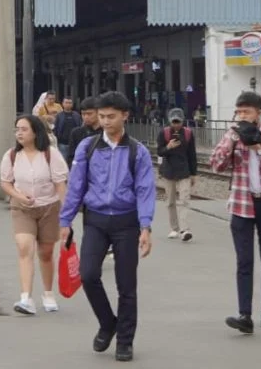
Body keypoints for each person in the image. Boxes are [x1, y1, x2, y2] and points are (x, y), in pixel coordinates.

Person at [59, 91, 155, 363]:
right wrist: (65, 220)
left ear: (125, 116)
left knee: (126, 285)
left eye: (111, 116)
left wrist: (145, 226)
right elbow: (76, 185)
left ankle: (125, 341)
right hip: (96, 220)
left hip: (127, 222)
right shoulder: (87, 147)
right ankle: (107, 322)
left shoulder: (138, 151)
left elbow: (145, 190)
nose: (105, 121)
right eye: (101, 116)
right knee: (88, 274)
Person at [209, 91, 261, 334]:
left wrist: (259, 150)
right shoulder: (232, 135)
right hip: (241, 204)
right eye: (239, 112)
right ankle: (244, 314)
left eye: (246, 111)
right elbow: (216, 165)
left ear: (259, 112)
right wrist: (232, 142)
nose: (242, 116)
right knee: (244, 261)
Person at [0, 115, 68, 315]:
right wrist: (19, 196)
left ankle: (48, 293)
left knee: (46, 252)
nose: (19, 133)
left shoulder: (50, 154)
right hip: (22, 208)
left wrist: (67, 214)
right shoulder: (12, 155)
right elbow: (6, 183)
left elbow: (60, 185)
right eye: (17, 129)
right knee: (24, 247)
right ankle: (26, 298)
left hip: (49, 207)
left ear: (36, 132)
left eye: (24, 129)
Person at [156, 108, 198, 242]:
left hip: (184, 171)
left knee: (184, 200)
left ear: (182, 121)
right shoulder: (163, 133)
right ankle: (174, 228)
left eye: (178, 122)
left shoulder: (188, 133)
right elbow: (159, 152)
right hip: (168, 172)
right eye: (173, 122)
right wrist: (168, 147)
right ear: (169, 121)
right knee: (170, 202)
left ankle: (185, 229)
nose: (176, 124)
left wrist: (193, 174)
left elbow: (192, 154)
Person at [65, 97, 101, 166]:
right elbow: (71, 157)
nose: (86, 117)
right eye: (83, 114)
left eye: (89, 114)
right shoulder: (76, 133)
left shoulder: (106, 133)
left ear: (98, 113)